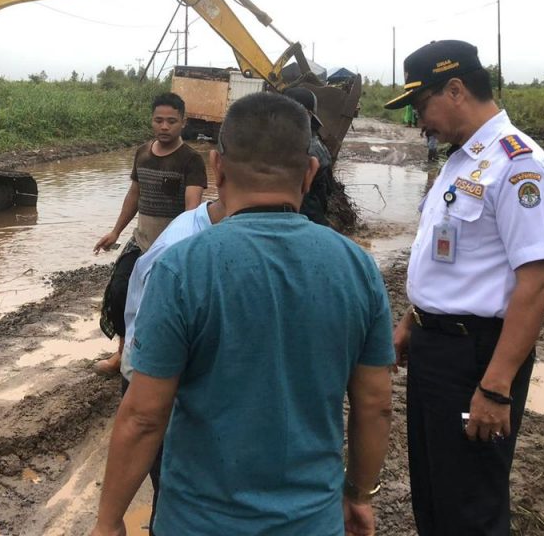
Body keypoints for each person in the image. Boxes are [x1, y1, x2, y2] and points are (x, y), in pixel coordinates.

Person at [91, 92, 394, 536]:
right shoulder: (357, 268)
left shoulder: (182, 267)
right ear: (310, 171)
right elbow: (375, 403)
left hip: (196, 522)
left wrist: (108, 522)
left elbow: (143, 416)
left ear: (217, 167)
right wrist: (358, 495)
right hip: (311, 521)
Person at [385, 40, 544, 536]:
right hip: (434, 348)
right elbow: (446, 256)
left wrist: (496, 384)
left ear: (456, 89)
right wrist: (410, 321)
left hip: (476, 356)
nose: (419, 122)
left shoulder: (519, 166)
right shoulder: (461, 160)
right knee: (434, 489)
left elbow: (538, 282)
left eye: (422, 106)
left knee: (471, 504)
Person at [118, 195, 226, 535]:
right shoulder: (179, 252)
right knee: (172, 494)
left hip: (190, 376)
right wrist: (109, 519)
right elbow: (144, 411)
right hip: (156, 377)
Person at [93, 92, 207, 375]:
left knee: (164, 305)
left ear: (183, 122)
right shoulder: (143, 153)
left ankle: (167, 360)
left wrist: (183, 247)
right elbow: (135, 193)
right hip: (141, 240)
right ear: (151, 121)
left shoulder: (190, 160)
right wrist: (115, 231)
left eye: (171, 121)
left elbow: (192, 207)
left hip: (171, 246)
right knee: (120, 294)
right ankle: (122, 353)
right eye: (159, 120)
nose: (164, 126)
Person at [283, 85, 335, 225]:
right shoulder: (315, 142)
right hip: (311, 219)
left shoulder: (305, 148)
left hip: (306, 218)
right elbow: (330, 189)